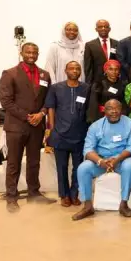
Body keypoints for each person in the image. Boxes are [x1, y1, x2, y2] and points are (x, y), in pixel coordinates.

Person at [72, 100, 131, 220]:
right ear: (104, 110)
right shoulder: (95, 126)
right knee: (83, 168)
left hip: (121, 160)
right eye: (110, 108)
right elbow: (88, 150)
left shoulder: (130, 123)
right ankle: (87, 206)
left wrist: (117, 159)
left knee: (130, 164)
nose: (114, 111)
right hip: (101, 161)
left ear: (121, 110)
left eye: (117, 108)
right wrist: (100, 161)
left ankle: (124, 204)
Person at [44, 61, 88, 207]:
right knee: (61, 167)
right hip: (60, 133)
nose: (74, 71)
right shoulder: (56, 88)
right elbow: (51, 108)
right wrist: (52, 128)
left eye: (77, 68)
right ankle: (64, 195)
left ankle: (74, 194)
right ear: (65, 71)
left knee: (78, 167)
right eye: (71, 68)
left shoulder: (86, 88)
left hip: (80, 134)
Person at [87, 59, 127, 124]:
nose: (114, 72)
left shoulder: (123, 84)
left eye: (116, 69)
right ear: (105, 70)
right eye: (111, 69)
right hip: (102, 116)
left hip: (119, 116)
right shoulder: (99, 84)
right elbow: (93, 103)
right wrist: (93, 119)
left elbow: (124, 102)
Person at [84, 19, 119, 84]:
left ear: (109, 29)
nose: (103, 29)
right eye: (100, 27)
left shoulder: (117, 44)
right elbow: (88, 67)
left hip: (114, 81)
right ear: (96, 29)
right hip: (97, 82)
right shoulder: (90, 45)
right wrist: (88, 84)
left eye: (106, 27)